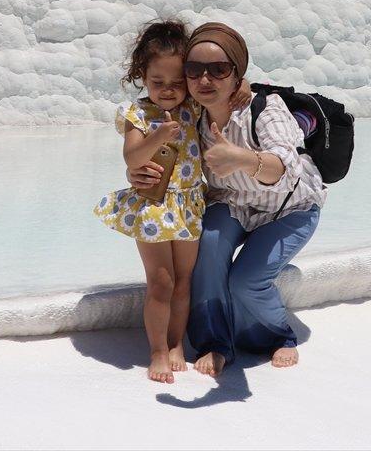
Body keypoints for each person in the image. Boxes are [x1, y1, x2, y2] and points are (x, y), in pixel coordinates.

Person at [128, 22, 326, 377]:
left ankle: (280, 335)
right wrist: (136, 173)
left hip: (288, 209)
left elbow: (286, 166)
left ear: (237, 72)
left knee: (244, 281)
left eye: (219, 70)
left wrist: (242, 159)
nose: (205, 79)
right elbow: (160, 148)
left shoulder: (265, 109)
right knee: (206, 252)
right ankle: (215, 342)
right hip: (234, 202)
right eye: (195, 70)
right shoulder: (193, 110)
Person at [95, 19, 249, 384]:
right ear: (142, 77)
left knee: (184, 282)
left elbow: (223, 92)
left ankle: (177, 343)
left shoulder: (193, 107)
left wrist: (244, 87)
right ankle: (157, 351)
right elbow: (133, 159)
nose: (167, 90)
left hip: (188, 205)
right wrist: (158, 135)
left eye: (177, 82)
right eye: (157, 82)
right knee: (160, 283)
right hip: (153, 206)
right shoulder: (138, 114)